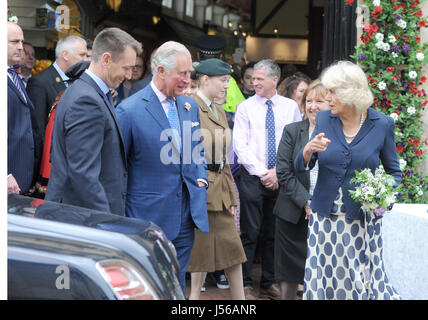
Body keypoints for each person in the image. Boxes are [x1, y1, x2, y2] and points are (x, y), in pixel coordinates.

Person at [294, 61, 401, 300]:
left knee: (359, 276)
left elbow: (395, 174)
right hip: (325, 217)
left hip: (362, 219)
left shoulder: (381, 124)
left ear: (351, 93)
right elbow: (301, 165)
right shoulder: (324, 119)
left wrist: (382, 195)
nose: (327, 98)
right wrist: (309, 150)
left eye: (333, 92)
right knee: (325, 275)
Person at [115, 41, 209, 293]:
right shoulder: (129, 110)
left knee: (176, 286)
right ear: (160, 71)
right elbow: (117, 167)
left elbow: (195, 148)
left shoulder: (189, 106)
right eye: (183, 73)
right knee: (148, 285)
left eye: (191, 73)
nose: (189, 80)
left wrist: (201, 178)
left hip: (186, 216)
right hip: (147, 217)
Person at [45, 27, 142, 217]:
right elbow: (83, 174)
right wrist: (106, 221)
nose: (129, 76)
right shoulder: (87, 100)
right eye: (126, 68)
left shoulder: (88, 91)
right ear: (106, 59)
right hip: (82, 218)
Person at [233, 59, 302, 300]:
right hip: (253, 177)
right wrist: (263, 172)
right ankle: (245, 282)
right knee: (250, 231)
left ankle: (269, 281)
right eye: (253, 79)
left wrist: (277, 172)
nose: (254, 82)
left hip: (281, 177)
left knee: (275, 232)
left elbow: (294, 142)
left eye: (260, 79)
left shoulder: (290, 107)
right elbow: (239, 145)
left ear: (275, 79)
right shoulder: (245, 107)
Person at [187, 59, 246, 300]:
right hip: (203, 189)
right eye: (223, 81)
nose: (226, 86)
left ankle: (240, 300)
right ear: (205, 80)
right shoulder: (191, 107)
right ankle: (193, 299)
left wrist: (232, 195)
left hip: (219, 188)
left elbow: (224, 156)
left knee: (232, 248)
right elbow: (187, 156)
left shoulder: (218, 109)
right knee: (201, 250)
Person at [274, 80, 329, 300]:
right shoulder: (292, 131)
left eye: (319, 101)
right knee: (288, 273)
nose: (312, 106)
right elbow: (284, 172)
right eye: (309, 100)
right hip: (293, 212)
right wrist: (306, 201)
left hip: (327, 212)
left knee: (322, 270)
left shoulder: (341, 133)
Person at [26, 35, 88, 138]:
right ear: (65, 55)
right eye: (82, 55)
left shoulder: (80, 81)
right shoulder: (39, 82)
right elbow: (38, 129)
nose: (85, 60)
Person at [7, 22, 41, 195]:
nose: (20, 47)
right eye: (14, 41)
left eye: (22, 41)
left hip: (20, 179)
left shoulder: (13, 75)